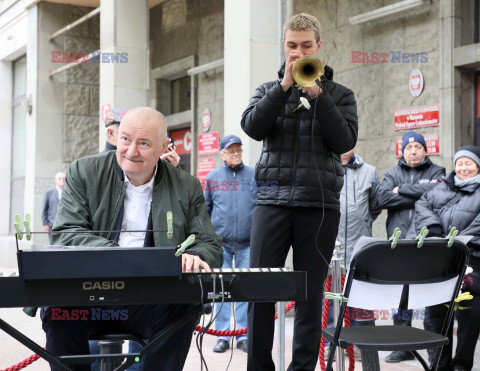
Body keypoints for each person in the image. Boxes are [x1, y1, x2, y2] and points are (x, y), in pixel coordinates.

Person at [42, 107, 223, 371]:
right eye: (125, 139)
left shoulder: (187, 185)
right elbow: (67, 234)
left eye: (144, 143)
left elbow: (209, 244)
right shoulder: (84, 171)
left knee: (185, 305)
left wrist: (197, 255)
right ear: (116, 137)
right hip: (89, 297)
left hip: (151, 300)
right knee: (58, 311)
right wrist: (129, 258)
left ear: (163, 148)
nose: (131, 151)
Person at [241, 13, 358, 370]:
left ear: (318, 47)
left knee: (310, 299)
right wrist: (283, 88)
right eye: (292, 45)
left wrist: (318, 95)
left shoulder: (340, 94)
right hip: (272, 203)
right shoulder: (268, 89)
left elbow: (345, 141)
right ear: (284, 45)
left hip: (319, 204)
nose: (298, 51)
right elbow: (252, 127)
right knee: (259, 292)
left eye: (306, 45)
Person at [407, 145, 480, 371]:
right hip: (439, 261)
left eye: (469, 163)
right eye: (460, 163)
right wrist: (436, 231)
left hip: (472, 262)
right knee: (436, 316)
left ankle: (461, 365)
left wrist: (457, 242)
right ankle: (440, 364)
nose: (464, 168)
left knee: (470, 317)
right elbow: (421, 205)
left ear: (477, 166)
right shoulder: (439, 189)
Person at [377, 130, 446, 363]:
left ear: (425, 150)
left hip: (427, 242)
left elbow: (439, 194)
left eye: (418, 146)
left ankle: (432, 351)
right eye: (409, 147)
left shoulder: (437, 172)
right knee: (401, 298)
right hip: (399, 242)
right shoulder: (392, 173)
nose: (413, 150)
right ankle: (403, 345)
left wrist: (402, 190)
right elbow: (383, 199)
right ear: (402, 151)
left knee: (430, 298)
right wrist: (421, 195)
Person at [204, 135, 256, 354]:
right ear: (222, 154)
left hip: (248, 243)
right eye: (231, 150)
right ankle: (222, 335)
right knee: (222, 290)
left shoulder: (254, 175)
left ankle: (243, 334)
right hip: (221, 245)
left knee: (244, 289)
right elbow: (205, 210)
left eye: (239, 150)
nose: (236, 153)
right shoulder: (213, 177)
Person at [41, 172, 65, 244]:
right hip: (52, 224)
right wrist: (45, 223)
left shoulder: (69, 192)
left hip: (65, 224)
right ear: (55, 180)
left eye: (64, 178)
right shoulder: (49, 192)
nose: (62, 180)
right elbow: (44, 209)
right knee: (53, 244)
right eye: (59, 178)